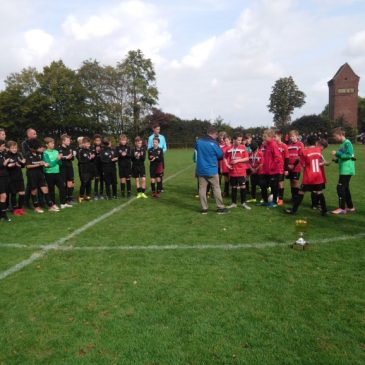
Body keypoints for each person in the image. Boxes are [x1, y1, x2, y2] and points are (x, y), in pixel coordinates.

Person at [285, 135, 327, 215]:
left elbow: (303, 165)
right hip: (318, 176)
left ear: (307, 142)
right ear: (316, 142)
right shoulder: (318, 150)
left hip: (309, 177)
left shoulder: (304, 152)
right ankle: (324, 211)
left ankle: (293, 210)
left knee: (301, 193)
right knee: (319, 192)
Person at [194, 127, 229, 215]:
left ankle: (204, 208)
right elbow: (220, 156)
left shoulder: (198, 142)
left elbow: (197, 151)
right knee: (216, 188)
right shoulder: (214, 143)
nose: (216, 137)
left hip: (201, 169)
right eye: (216, 135)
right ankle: (220, 207)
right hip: (212, 170)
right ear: (214, 134)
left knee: (202, 189)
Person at [25, 139, 59, 213]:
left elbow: (43, 163)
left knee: (45, 189)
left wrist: (45, 164)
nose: (39, 149)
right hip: (32, 175)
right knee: (34, 190)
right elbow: (28, 166)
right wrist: (39, 164)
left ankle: (50, 206)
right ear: (31, 148)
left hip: (40, 174)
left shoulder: (39, 154)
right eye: (37, 147)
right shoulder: (28, 154)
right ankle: (36, 207)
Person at [331, 128, 356, 215]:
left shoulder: (347, 143)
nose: (334, 138)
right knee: (345, 188)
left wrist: (337, 153)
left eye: (335, 136)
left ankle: (342, 208)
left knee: (340, 187)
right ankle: (350, 207)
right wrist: (336, 160)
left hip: (347, 169)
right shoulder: (342, 144)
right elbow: (342, 157)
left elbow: (349, 155)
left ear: (340, 135)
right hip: (344, 169)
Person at [224, 133, 251, 210]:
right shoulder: (229, 148)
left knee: (243, 187)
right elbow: (225, 157)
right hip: (232, 172)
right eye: (238, 140)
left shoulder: (243, 147)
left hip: (241, 171)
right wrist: (227, 165)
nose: (240, 141)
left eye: (240, 140)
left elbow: (247, 158)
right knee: (234, 187)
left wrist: (237, 160)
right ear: (234, 140)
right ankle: (234, 203)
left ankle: (243, 203)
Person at [43, 137, 71, 209]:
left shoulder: (56, 151)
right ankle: (53, 204)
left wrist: (59, 159)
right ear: (47, 144)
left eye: (53, 143)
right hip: (49, 173)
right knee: (51, 189)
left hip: (57, 173)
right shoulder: (45, 153)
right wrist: (57, 159)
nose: (53, 144)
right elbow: (49, 164)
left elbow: (60, 163)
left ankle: (63, 203)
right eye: (51, 143)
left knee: (62, 187)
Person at [257, 129, 282, 208]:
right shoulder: (266, 145)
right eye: (263, 136)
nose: (264, 138)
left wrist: (271, 167)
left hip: (273, 171)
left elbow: (278, 158)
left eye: (265, 136)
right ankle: (265, 201)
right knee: (262, 184)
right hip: (266, 171)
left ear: (271, 137)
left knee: (274, 187)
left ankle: (274, 202)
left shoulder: (273, 145)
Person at [6, 141, 26, 216]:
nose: (14, 149)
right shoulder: (7, 155)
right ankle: (14, 209)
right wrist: (15, 163)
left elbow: (23, 166)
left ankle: (20, 208)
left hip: (19, 177)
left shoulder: (19, 154)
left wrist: (23, 162)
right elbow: (7, 166)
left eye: (15, 148)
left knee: (22, 193)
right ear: (8, 149)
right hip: (11, 178)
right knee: (14, 193)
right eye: (13, 148)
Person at [148, 124, 167, 191]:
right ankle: (154, 189)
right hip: (153, 158)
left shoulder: (162, 137)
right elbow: (149, 147)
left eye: (159, 129)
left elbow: (165, 147)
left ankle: (160, 187)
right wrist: (154, 154)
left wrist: (160, 152)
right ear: (154, 129)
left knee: (161, 172)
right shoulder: (150, 138)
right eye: (157, 129)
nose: (158, 130)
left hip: (160, 157)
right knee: (153, 173)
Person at [287, 130, 304, 200]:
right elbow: (286, 156)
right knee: (291, 182)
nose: (292, 138)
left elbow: (300, 156)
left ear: (297, 136)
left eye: (293, 136)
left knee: (295, 182)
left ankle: (297, 197)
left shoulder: (300, 144)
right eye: (290, 136)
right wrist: (288, 165)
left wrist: (293, 165)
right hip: (289, 167)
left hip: (296, 167)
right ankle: (293, 197)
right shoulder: (288, 145)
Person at [77, 137, 95, 203]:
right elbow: (80, 160)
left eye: (89, 144)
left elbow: (92, 160)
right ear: (83, 143)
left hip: (89, 169)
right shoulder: (80, 151)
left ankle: (88, 195)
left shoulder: (90, 150)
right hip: (83, 169)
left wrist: (92, 158)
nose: (88, 145)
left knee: (89, 183)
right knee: (84, 182)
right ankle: (81, 196)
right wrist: (89, 158)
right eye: (87, 144)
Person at [58, 134, 75, 204]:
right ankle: (64, 199)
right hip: (62, 168)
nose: (69, 141)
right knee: (63, 184)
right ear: (63, 141)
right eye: (68, 140)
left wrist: (72, 156)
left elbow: (72, 158)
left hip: (69, 167)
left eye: (69, 140)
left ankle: (69, 198)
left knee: (71, 183)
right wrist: (66, 157)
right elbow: (58, 158)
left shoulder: (70, 148)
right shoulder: (58, 149)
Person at [275, 130, 289, 206]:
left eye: (275, 136)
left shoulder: (284, 146)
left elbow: (287, 158)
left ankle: (280, 199)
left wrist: (286, 169)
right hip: (274, 168)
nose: (274, 138)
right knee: (274, 183)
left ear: (280, 136)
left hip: (281, 168)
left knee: (280, 183)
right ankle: (275, 197)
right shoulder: (273, 145)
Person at [0, 140, 11, 221]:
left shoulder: (3, 153)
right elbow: (2, 165)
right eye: (3, 146)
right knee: (3, 196)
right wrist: (4, 163)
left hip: (5, 177)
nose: (4, 147)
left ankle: (2, 215)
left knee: (3, 196)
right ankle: (3, 215)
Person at [92, 134, 104, 200]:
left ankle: (101, 194)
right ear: (94, 141)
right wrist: (96, 152)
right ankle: (96, 194)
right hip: (95, 166)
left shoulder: (103, 147)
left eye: (99, 140)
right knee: (96, 179)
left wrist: (100, 151)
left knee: (102, 180)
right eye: (96, 140)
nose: (98, 142)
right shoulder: (92, 148)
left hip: (102, 166)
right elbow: (92, 157)